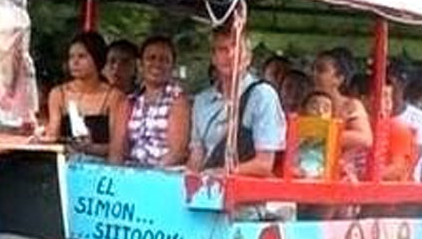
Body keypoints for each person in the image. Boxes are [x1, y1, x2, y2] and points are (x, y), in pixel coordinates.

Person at [187, 26, 285, 177]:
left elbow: (264, 165)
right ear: (213, 58)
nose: (231, 55)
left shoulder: (263, 95)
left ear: (248, 57)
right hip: (206, 189)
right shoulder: (202, 101)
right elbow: (197, 155)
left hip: (248, 191)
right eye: (222, 49)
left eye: (237, 47)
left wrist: (223, 173)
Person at [44, 30, 127, 161]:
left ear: (97, 59)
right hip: (65, 163)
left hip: (100, 166)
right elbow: (53, 135)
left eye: (82, 56)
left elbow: (118, 146)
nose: (75, 62)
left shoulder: (114, 97)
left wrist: (90, 148)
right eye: (71, 57)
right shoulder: (58, 94)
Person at [126, 35, 191, 168]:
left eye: (164, 60)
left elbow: (178, 152)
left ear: (172, 66)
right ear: (140, 64)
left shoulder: (177, 100)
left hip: (162, 175)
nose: (157, 64)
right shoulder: (133, 100)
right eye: (151, 58)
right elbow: (121, 147)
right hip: (131, 171)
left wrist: (150, 176)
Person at [311, 48, 373, 178]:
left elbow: (365, 139)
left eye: (321, 70)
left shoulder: (351, 105)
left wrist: (323, 135)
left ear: (339, 79)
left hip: (344, 175)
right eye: (313, 70)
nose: (314, 75)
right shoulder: (308, 103)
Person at [295, 91, 334, 179]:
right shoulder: (293, 134)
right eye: (314, 107)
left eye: (326, 109)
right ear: (303, 111)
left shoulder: (334, 139)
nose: (320, 112)